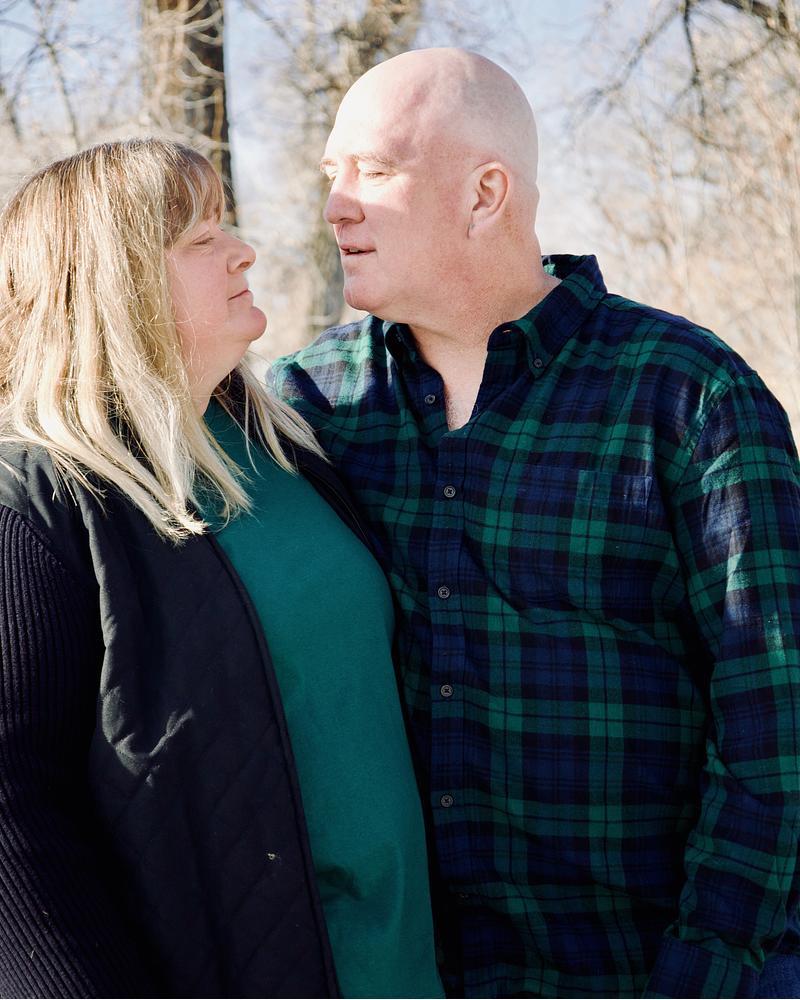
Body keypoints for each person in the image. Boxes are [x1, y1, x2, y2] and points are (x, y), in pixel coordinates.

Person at [272, 48, 800, 998]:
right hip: (405, 978)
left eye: (375, 171)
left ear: (486, 194)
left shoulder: (687, 393)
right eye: (330, 174)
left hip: (644, 968)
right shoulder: (311, 407)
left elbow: (777, 719)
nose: (336, 206)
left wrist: (708, 972)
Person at [0, 137, 443, 999]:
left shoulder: (284, 446)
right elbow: (13, 816)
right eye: (202, 239)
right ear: (116, 283)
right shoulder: (41, 501)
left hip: (404, 971)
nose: (243, 250)